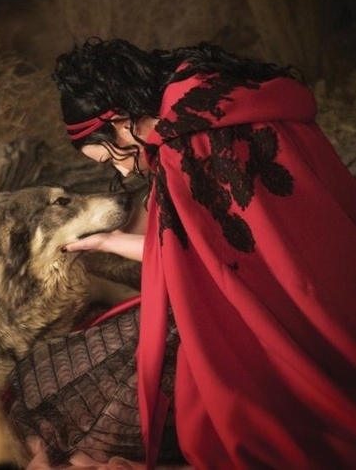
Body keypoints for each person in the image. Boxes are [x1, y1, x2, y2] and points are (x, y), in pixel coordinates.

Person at [40, 38, 356, 469]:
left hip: (292, 326)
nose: (122, 170)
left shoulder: (190, 146)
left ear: (120, 122)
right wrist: (108, 242)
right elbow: (227, 247)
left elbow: (202, 268)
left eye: (109, 158)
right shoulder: (236, 94)